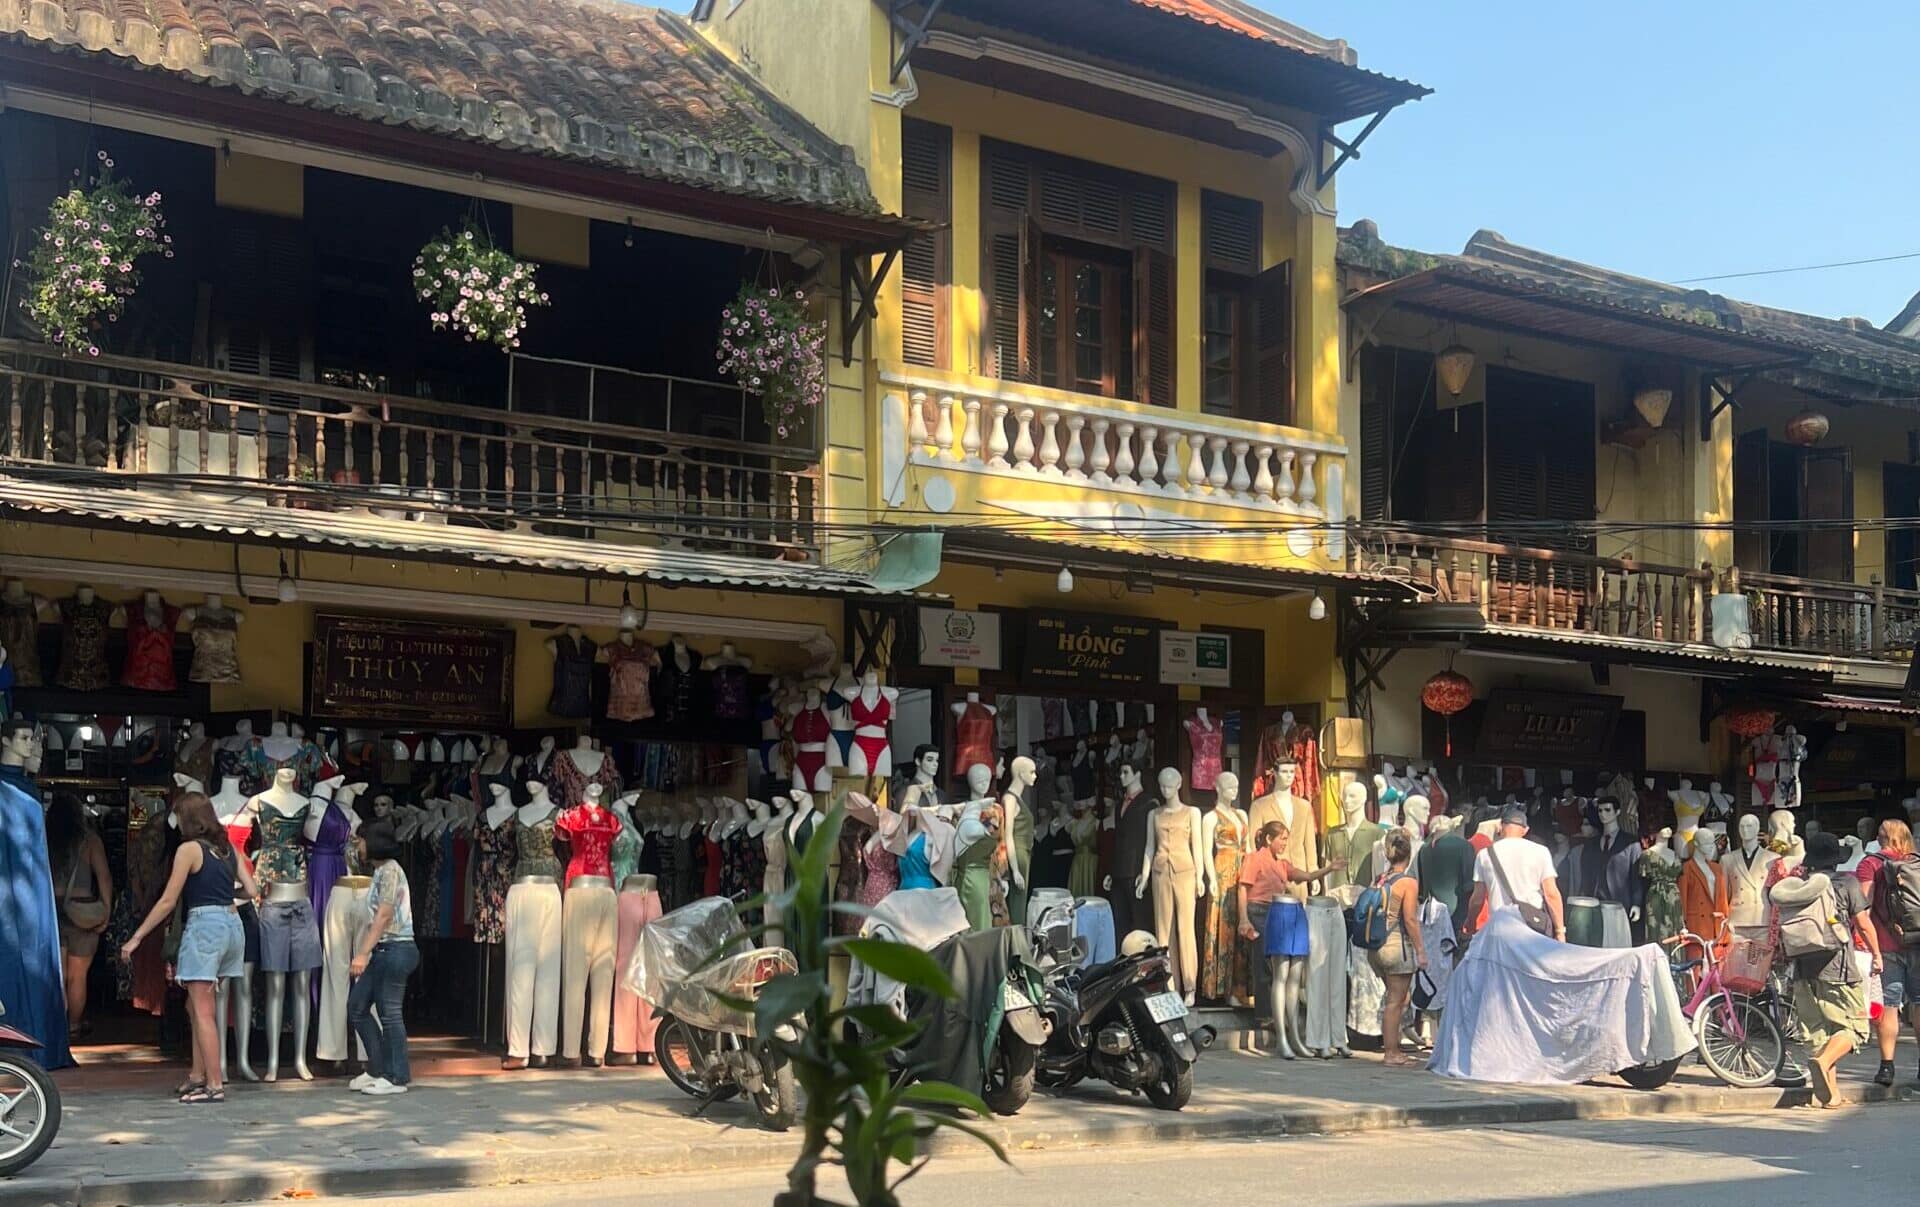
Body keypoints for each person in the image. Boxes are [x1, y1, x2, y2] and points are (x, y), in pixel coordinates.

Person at [120, 792, 259, 1104]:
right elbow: (251, 890)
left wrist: (137, 937)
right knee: (194, 1006)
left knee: (203, 1010)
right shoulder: (227, 847)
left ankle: (214, 1084)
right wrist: (225, 897)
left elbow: (168, 900)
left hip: (205, 926)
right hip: (232, 926)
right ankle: (198, 1074)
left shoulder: (188, 850)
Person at [1772, 830, 1877, 1107]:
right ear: (1835, 859)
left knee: (1819, 1032)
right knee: (1855, 1028)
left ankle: (1831, 1096)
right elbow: (1863, 923)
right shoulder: (1846, 883)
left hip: (1802, 969)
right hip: (1837, 966)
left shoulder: (1799, 887)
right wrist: (1877, 954)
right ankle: (1825, 1061)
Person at [347, 818, 419, 1095]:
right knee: (357, 1006)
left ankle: (397, 1076)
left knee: (390, 1013)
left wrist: (362, 953)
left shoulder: (390, 871)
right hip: (384, 949)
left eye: (361, 841)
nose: (359, 847)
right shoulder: (380, 871)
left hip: (396, 948)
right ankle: (377, 1068)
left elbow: (384, 914)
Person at [1853, 819, 1915, 1087]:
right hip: (1917, 942)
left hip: (1885, 945)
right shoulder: (1915, 862)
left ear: (1879, 837)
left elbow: (1863, 908)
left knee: (1889, 1006)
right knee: (1919, 1003)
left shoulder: (1869, 864)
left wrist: (1863, 943)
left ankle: (1887, 1067)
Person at [45, 792, 112, 1039]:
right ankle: (73, 1025)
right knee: (78, 976)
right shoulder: (90, 840)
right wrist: (106, 910)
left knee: (59, 975)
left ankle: (56, 1026)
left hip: (52, 909)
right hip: (83, 912)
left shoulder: (44, 838)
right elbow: (104, 877)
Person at [1370, 828, 1429, 1068]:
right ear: (1409, 853)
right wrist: (1421, 950)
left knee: (1398, 998)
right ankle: (1391, 1052)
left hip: (1377, 946)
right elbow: (1410, 919)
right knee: (1396, 1001)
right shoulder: (1408, 883)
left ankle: (1392, 1047)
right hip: (1396, 946)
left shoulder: (1380, 879)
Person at [1464, 803, 1566, 941]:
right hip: (1532, 926)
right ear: (1525, 830)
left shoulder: (1485, 855)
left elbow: (1477, 899)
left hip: (1499, 927)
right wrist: (1560, 931)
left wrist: (1469, 925)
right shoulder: (1541, 852)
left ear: (1500, 827)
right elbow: (1551, 894)